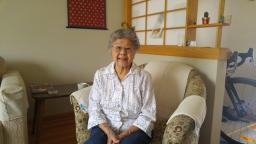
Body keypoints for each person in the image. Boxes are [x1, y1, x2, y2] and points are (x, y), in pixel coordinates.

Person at [85, 28, 156, 144]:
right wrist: (109, 132)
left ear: (134, 52)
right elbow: (94, 108)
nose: (122, 53)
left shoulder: (144, 77)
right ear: (111, 50)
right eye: (118, 48)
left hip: (134, 128)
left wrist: (122, 135)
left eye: (128, 49)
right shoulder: (101, 75)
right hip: (105, 125)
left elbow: (148, 113)